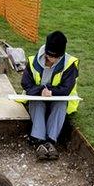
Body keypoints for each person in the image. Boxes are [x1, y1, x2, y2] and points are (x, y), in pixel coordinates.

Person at [19, 31, 79, 161]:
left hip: (58, 98)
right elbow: (26, 83)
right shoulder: (33, 61)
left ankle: (51, 141)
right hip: (38, 97)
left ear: (61, 55)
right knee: (37, 103)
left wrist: (52, 92)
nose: (50, 59)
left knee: (60, 104)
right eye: (49, 55)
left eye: (55, 57)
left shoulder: (70, 64)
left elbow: (66, 88)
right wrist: (41, 91)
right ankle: (40, 141)